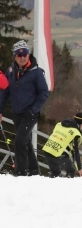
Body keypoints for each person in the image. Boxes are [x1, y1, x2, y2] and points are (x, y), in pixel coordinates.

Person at [0, 41, 49, 176]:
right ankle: (34, 171)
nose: (22, 57)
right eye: (19, 55)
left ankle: (21, 172)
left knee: (20, 140)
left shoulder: (36, 72)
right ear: (15, 56)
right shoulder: (11, 71)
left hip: (30, 113)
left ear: (29, 55)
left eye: (25, 54)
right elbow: (4, 91)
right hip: (17, 112)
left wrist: (34, 110)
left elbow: (44, 93)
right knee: (26, 142)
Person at [42, 112, 82, 178]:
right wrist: (79, 168)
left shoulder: (60, 124)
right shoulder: (75, 133)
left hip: (47, 151)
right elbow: (75, 151)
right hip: (59, 154)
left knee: (55, 172)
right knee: (71, 171)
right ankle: (68, 187)